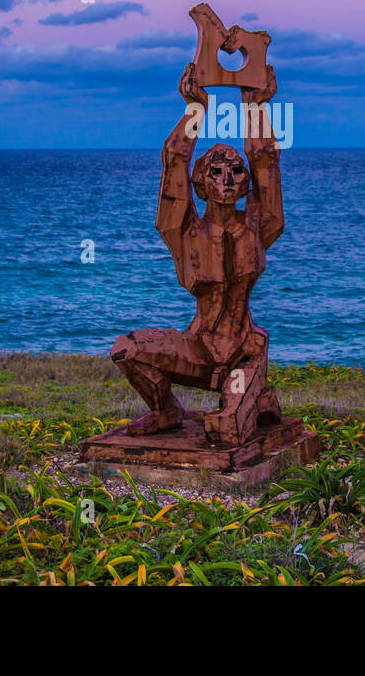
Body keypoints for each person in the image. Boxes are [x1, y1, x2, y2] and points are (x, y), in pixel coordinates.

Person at [110, 59, 284, 446]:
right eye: (216, 173)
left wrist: (256, 107)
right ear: (200, 184)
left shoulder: (257, 226)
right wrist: (195, 109)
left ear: (245, 186)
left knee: (226, 430)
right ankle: (165, 410)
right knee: (127, 350)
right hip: (198, 348)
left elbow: (266, 163)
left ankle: (249, 397)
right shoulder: (185, 233)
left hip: (244, 353)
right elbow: (173, 161)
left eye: (236, 173)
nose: (227, 180)